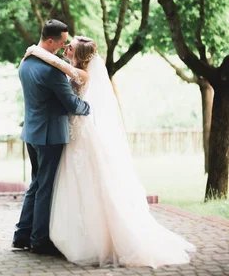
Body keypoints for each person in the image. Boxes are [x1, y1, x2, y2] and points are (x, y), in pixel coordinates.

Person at [22, 36, 197, 268]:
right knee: (68, 183)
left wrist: (34, 50)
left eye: (70, 47)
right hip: (72, 132)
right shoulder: (74, 69)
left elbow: (58, 66)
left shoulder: (82, 74)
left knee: (87, 183)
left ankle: (89, 240)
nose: (66, 49)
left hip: (80, 133)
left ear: (79, 55)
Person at [12, 20, 91, 255]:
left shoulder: (25, 63)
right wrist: (90, 108)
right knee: (45, 187)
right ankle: (39, 240)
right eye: (62, 42)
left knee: (35, 185)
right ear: (50, 41)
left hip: (31, 133)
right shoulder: (53, 71)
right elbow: (71, 104)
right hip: (50, 136)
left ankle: (21, 235)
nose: (64, 46)